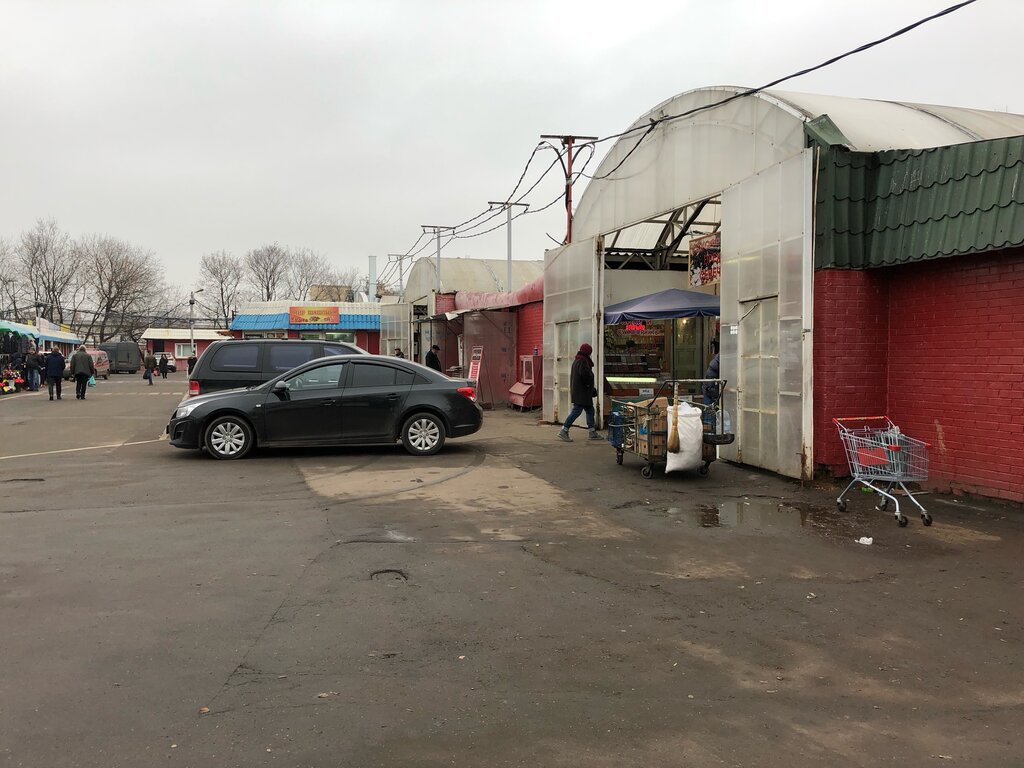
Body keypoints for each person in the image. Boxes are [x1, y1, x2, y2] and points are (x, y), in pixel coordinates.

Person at [557, 343, 602, 442]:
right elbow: (586, 376)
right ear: (588, 352)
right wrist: (589, 386)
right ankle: (564, 430)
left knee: (590, 410)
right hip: (582, 392)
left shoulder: (577, 360)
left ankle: (592, 431)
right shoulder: (583, 361)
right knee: (577, 411)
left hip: (580, 392)